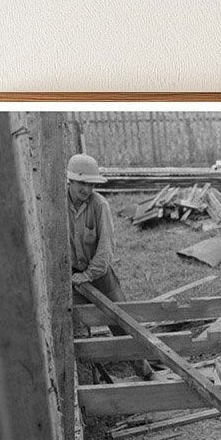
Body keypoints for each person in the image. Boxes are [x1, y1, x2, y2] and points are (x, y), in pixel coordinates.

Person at [67, 153, 153, 380]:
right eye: (82, 183)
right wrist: (74, 277)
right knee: (76, 329)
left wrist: (88, 275)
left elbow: (105, 249)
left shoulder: (99, 206)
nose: (86, 189)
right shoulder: (57, 205)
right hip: (71, 278)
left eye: (90, 184)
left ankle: (145, 373)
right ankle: (89, 381)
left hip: (100, 275)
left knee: (123, 325)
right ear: (71, 181)